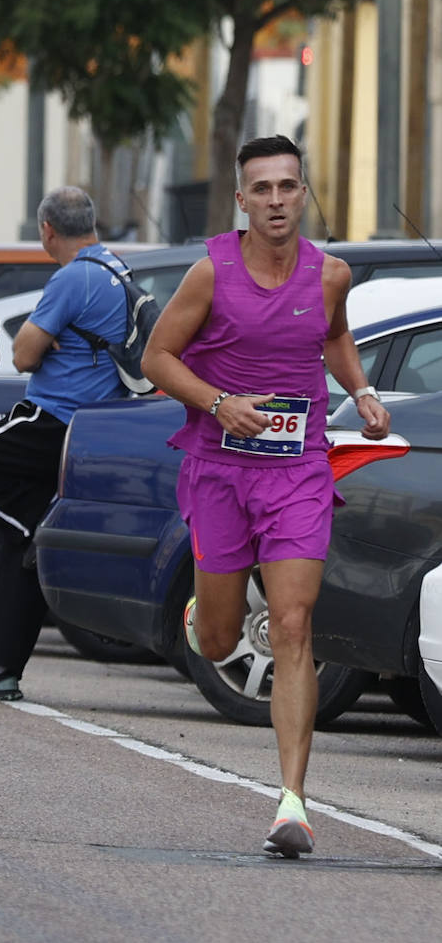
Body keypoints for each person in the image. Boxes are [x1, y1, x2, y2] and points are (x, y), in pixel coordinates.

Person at [141, 134, 390, 857]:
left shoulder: (330, 274)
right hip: (220, 469)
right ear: (241, 200)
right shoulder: (209, 272)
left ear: (302, 193)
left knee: (292, 622)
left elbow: (334, 337)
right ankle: (202, 610)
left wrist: (363, 390)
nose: (277, 200)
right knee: (219, 641)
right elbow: (158, 357)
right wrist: (219, 403)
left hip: (298, 468)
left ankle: (292, 803)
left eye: (288, 186)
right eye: (263, 189)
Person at [0, 186, 129, 701]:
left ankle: (27, 531)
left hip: (50, 421)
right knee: (18, 545)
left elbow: (22, 356)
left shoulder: (74, 276)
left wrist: (39, 340)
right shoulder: (115, 269)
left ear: (47, 230)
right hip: (87, 430)